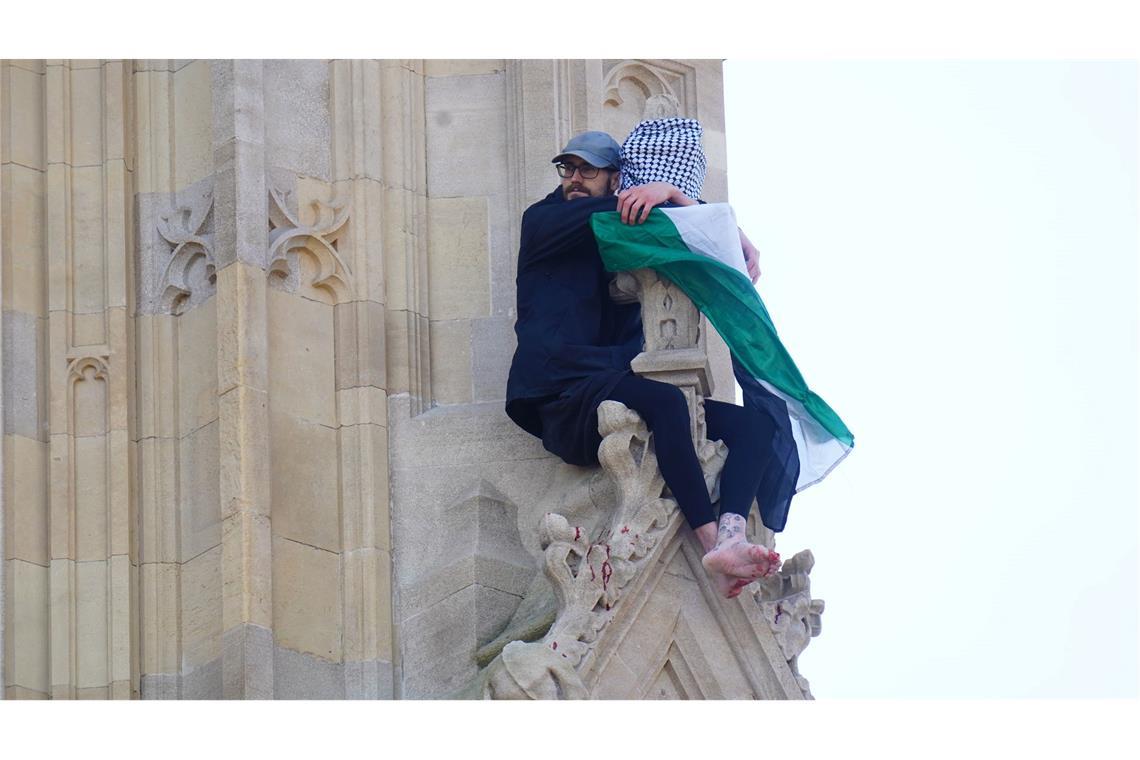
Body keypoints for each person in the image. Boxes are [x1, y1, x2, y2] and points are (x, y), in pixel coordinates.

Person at [505, 129, 785, 599]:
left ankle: (733, 532)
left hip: (607, 380)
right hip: (560, 393)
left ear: (616, 178)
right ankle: (711, 542)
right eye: (567, 168)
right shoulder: (546, 219)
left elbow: (678, 231)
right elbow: (655, 215)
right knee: (667, 403)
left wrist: (708, 218)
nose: (574, 178)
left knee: (755, 427)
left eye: (587, 170)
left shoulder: (617, 226)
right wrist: (677, 196)